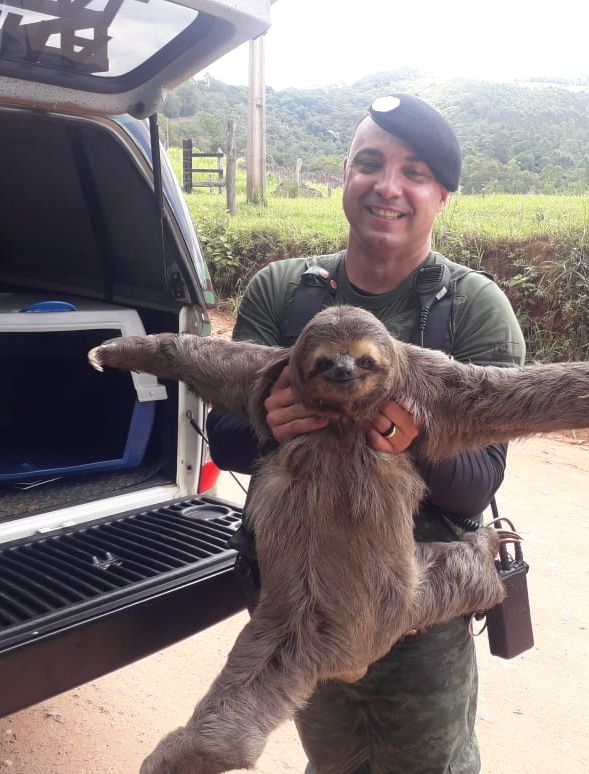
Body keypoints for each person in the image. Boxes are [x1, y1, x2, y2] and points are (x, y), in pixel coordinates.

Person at [205, 93, 526, 774]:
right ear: (345, 175)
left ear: (442, 194)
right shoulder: (282, 291)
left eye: (414, 172)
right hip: (302, 596)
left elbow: (476, 487)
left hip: (418, 606)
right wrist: (267, 418)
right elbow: (225, 439)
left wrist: (400, 433)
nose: (388, 186)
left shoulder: (472, 308)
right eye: (370, 163)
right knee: (333, 762)